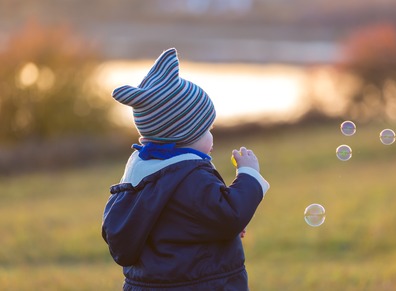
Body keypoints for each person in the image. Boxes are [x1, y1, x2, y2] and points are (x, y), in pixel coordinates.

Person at [101, 48, 270, 291]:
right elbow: (229, 215)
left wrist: (217, 228)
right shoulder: (189, 176)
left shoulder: (141, 176)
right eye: (207, 130)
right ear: (184, 135)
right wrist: (249, 175)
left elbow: (179, 224)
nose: (212, 137)